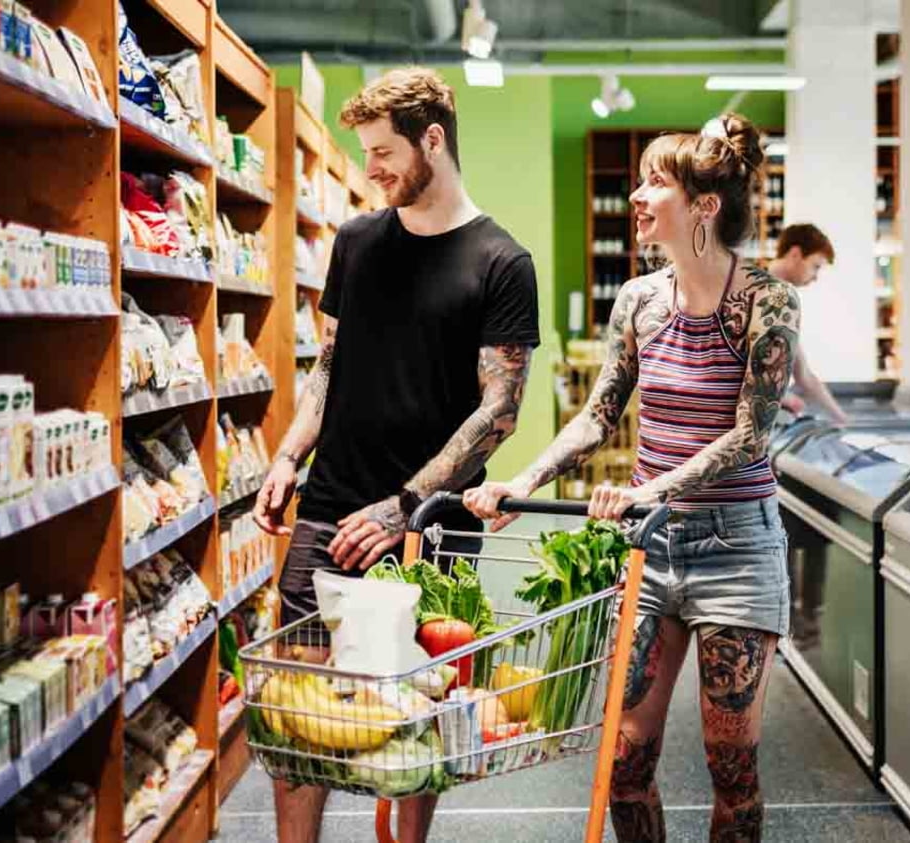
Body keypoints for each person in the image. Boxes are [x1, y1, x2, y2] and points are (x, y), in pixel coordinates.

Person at [465, 113, 799, 843]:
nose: (640, 197)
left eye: (657, 182)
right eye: (640, 180)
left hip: (737, 547)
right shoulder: (639, 302)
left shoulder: (767, 301)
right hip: (649, 548)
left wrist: (651, 487)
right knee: (624, 758)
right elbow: (597, 416)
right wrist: (518, 480)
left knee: (731, 766)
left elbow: (751, 436)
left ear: (705, 206)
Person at [251, 67, 541, 843]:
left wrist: (405, 504)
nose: (372, 169)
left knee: (420, 713)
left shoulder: (501, 263)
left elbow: (499, 412)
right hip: (330, 503)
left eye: (384, 152)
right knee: (298, 708)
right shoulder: (354, 241)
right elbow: (328, 365)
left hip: (431, 527)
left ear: (433, 140)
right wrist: (286, 455)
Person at [766, 224, 851, 424]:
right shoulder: (767, 293)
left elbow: (802, 374)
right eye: (815, 266)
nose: (815, 277)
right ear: (795, 254)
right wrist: (777, 397)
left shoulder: (783, 297)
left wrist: (841, 419)